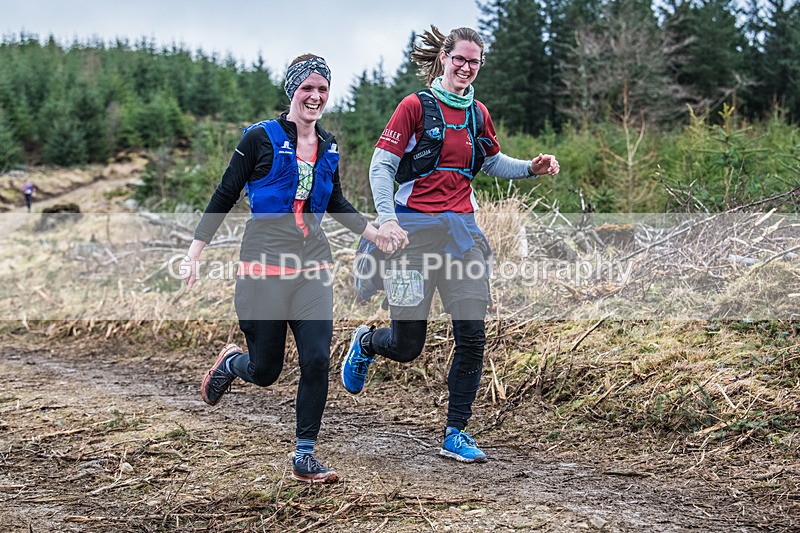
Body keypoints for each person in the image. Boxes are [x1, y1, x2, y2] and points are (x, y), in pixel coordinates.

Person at [341, 26, 560, 463]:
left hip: (462, 239)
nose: (465, 67)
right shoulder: (414, 107)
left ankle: (455, 431)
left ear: (480, 65)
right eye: (458, 58)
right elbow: (382, 166)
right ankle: (367, 343)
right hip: (410, 240)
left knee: (473, 336)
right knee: (408, 346)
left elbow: (492, 160)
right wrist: (386, 220)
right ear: (443, 58)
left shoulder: (478, 113)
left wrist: (531, 168)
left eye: (473, 62)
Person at [181, 54, 383, 483]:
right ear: (292, 90)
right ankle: (233, 364)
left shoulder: (329, 147)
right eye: (307, 88)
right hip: (263, 266)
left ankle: (304, 455)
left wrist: (375, 232)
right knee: (266, 370)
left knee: (315, 360)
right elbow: (225, 194)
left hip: (313, 267)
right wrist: (195, 251)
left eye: (322, 89)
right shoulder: (259, 138)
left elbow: (336, 203)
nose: (315, 96)